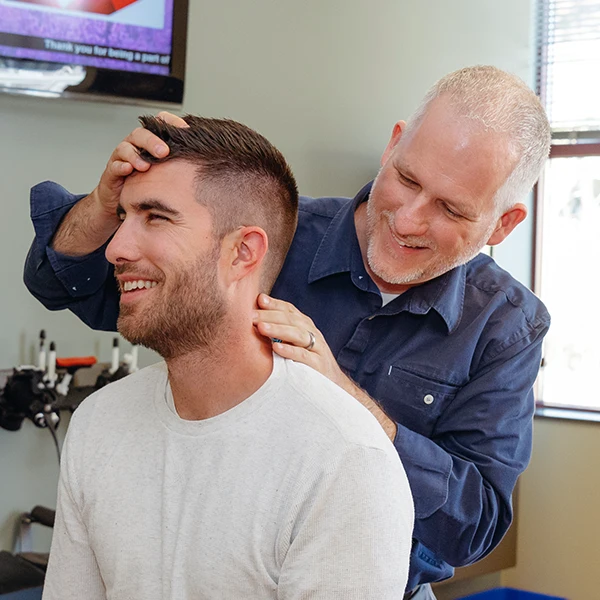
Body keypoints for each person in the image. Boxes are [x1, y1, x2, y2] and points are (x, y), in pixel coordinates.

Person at [25, 65, 551, 599]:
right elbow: (68, 282)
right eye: (408, 180)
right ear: (393, 145)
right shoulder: (280, 235)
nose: (409, 220)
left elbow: (474, 527)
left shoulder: (507, 326)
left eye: (451, 209)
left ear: (503, 225)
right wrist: (103, 204)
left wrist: (350, 402)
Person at [41, 115, 414, 600]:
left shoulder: (344, 460)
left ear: (242, 253)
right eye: (122, 218)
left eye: (155, 217)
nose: (116, 249)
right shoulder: (98, 423)